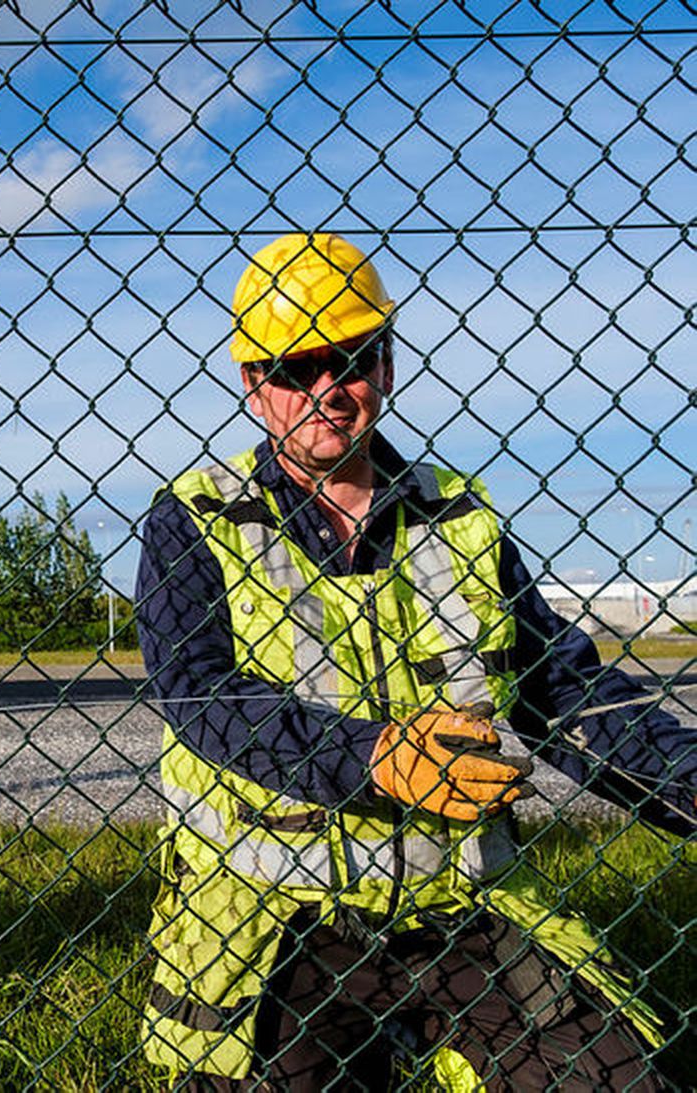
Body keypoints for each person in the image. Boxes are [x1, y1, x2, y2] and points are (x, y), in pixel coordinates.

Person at [134, 232, 695, 1090]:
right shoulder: (194, 519)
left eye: (350, 359)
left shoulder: (460, 516)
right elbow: (199, 693)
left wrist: (688, 780)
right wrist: (373, 758)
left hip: (456, 899)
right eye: (293, 369)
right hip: (277, 915)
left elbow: (558, 687)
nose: (326, 391)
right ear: (253, 387)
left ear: (386, 367)